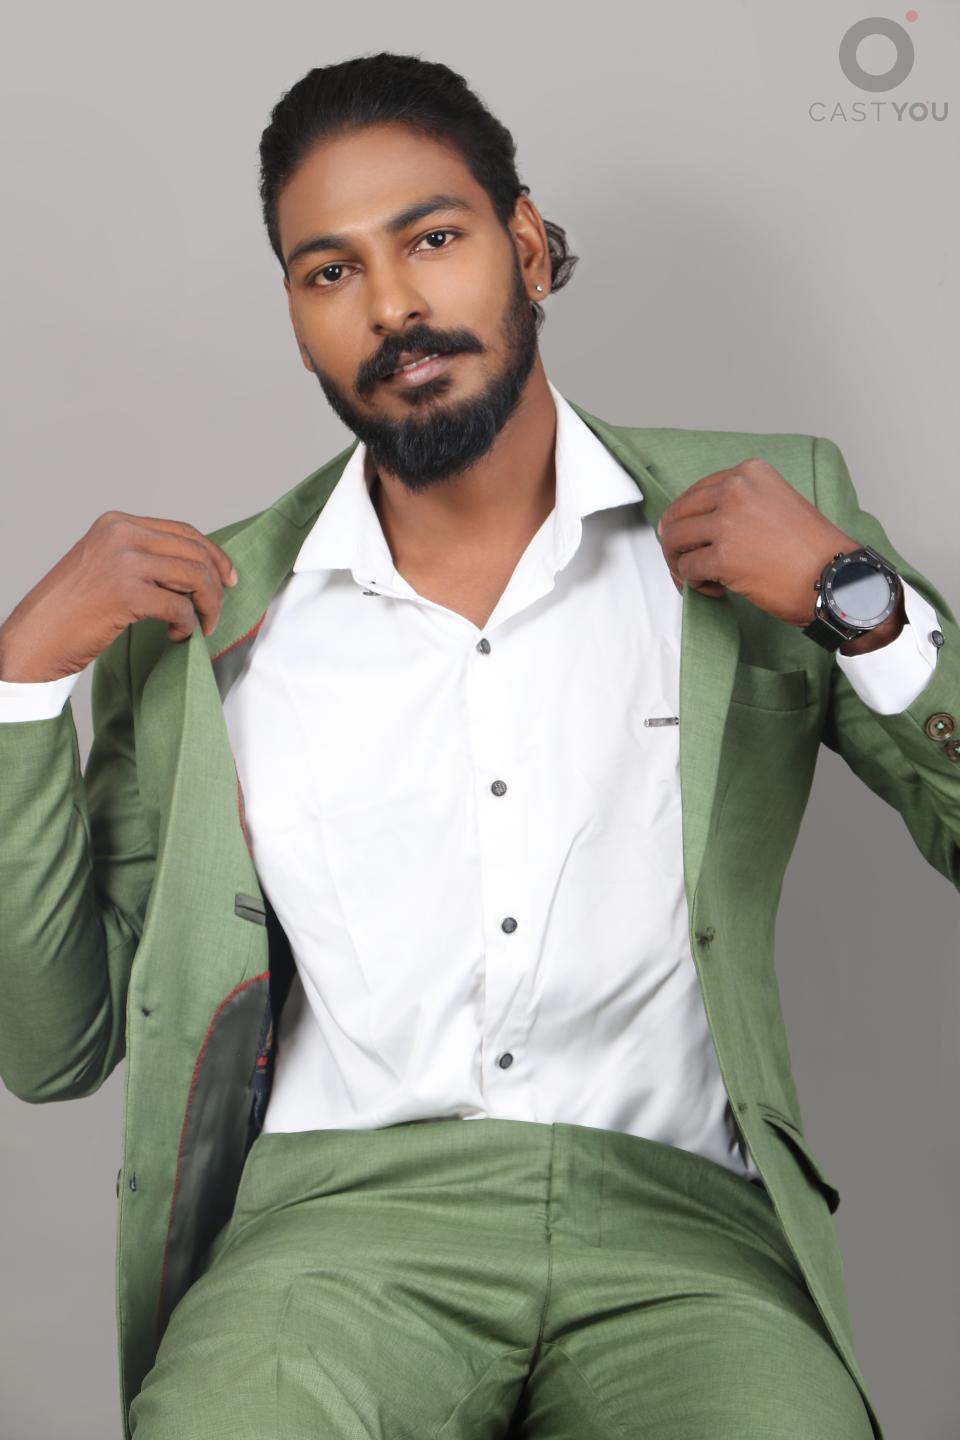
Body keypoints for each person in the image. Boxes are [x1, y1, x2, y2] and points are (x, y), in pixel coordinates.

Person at [0, 51, 956, 1440]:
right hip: (330, 1240)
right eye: (330, 272)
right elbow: (55, 1045)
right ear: (296, 321)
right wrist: (19, 684)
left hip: (686, 1234)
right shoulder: (205, 625)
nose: (391, 306)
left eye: (433, 240)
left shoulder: (766, 514)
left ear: (527, 246)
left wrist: (854, 603)